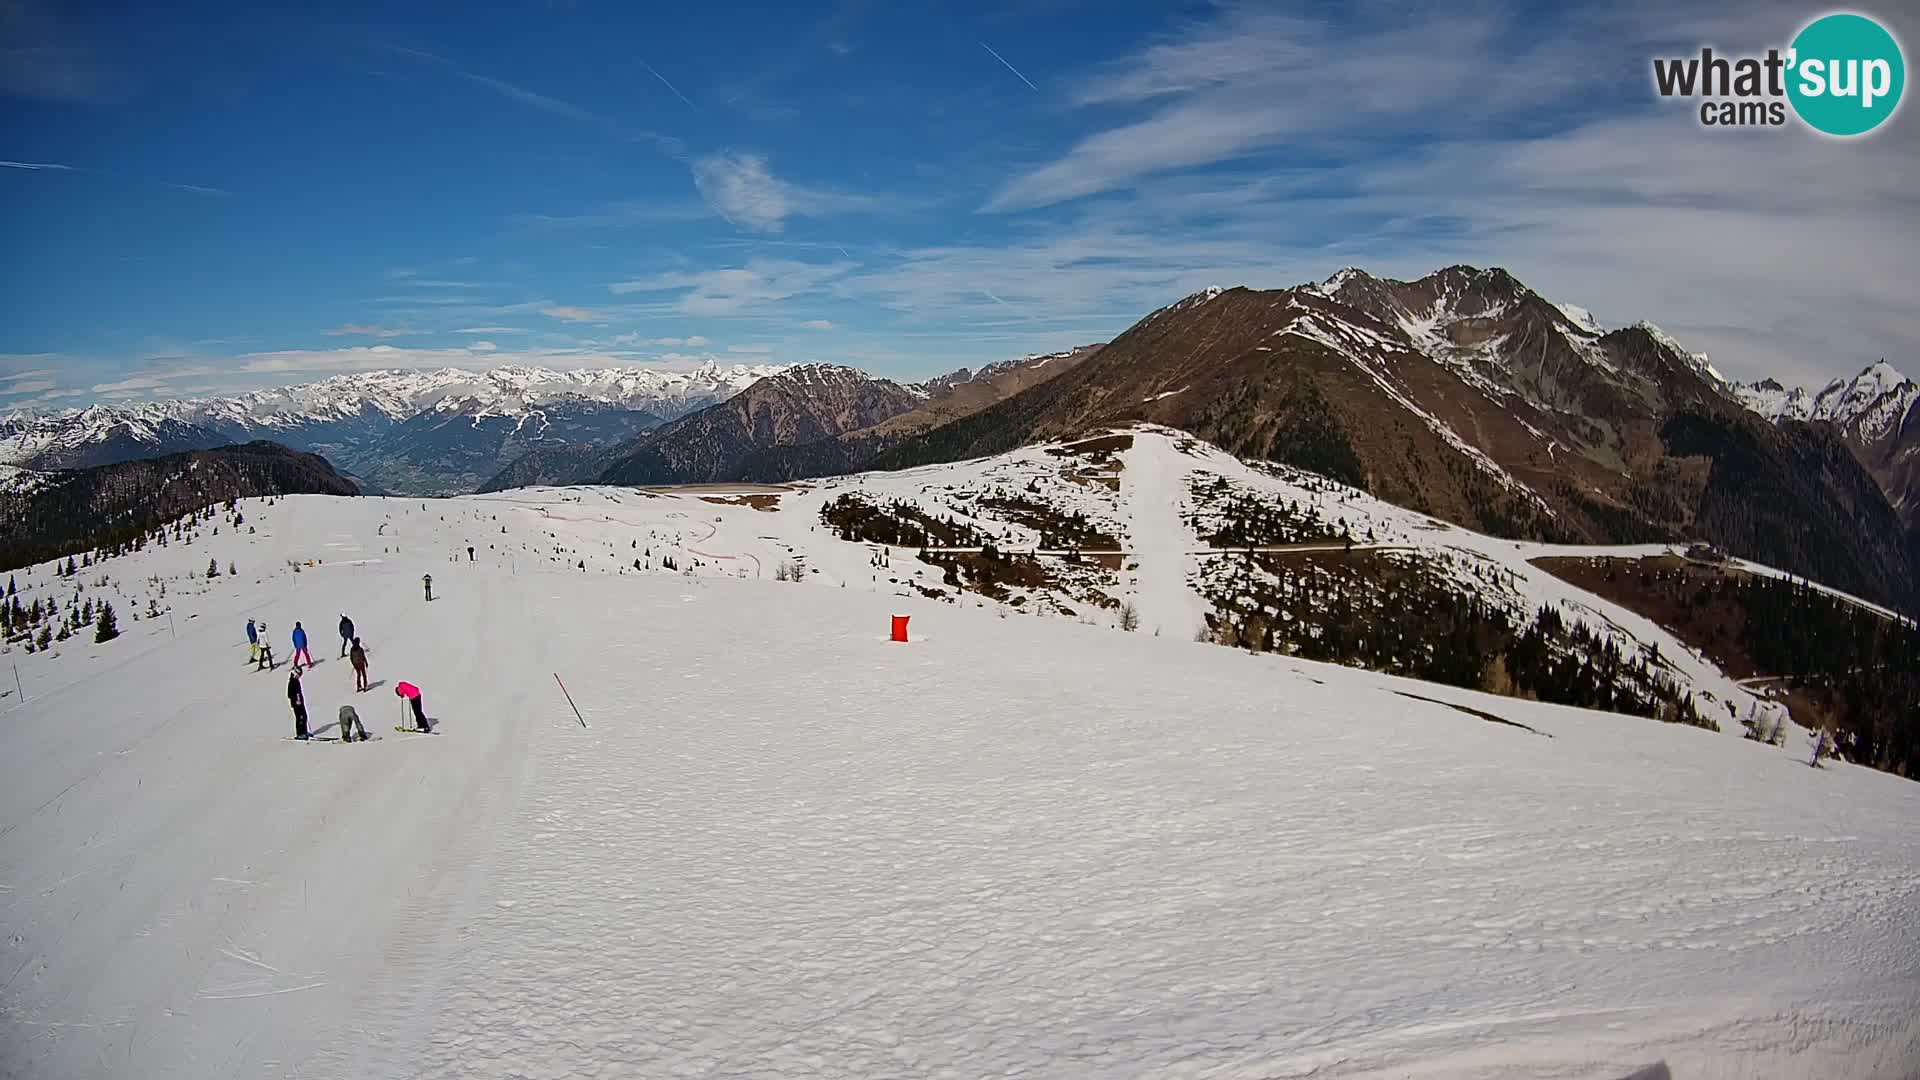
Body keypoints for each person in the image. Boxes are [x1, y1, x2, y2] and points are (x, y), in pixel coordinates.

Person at [288, 669, 309, 740]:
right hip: (296, 704)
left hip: (300, 702)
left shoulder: (296, 681)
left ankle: (304, 731)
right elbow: (289, 694)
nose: (299, 676)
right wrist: (296, 700)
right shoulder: (292, 682)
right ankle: (300, 733)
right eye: (299, 674)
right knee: (300, 718)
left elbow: (298, 692)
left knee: (304, 716)